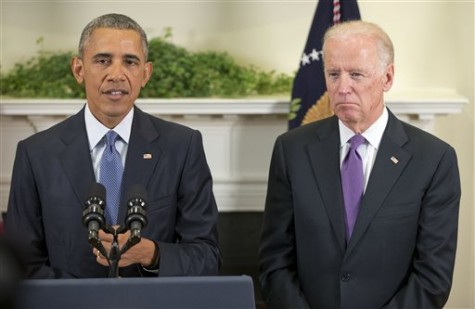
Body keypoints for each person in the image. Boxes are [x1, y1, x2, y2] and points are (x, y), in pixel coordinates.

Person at [259, 20, 461, 309]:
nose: (342, 88)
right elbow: (274, 261)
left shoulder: (434, 159)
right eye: (333, 74)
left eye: (356, 74)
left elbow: (433, 276)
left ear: (387, 78)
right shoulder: (291, 150)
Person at [5, 13, 220, 278]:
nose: (116, 74)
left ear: (145, 73)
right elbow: (19, 265)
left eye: (130, 62)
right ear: (78, 69)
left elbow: (207, 256)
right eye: (103, 60)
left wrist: (151, 254)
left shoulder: (183, 146)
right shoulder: (36, 154)